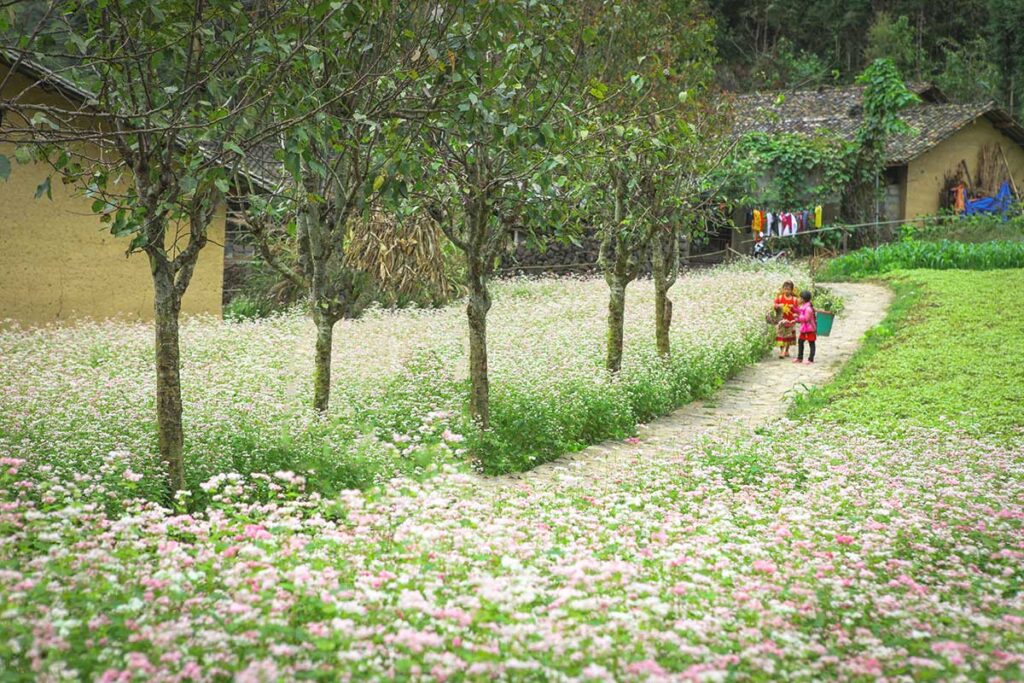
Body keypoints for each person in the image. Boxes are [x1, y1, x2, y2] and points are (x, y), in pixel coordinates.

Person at [773, 281, 798, 359]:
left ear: (792, 290)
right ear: (783, 289)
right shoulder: (780, 298)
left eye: (788, 289)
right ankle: (782, 351)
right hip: (781, 320)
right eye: (785, 289)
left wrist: (793, 308)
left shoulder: (794, 299)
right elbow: (774, 305)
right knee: (781, 335)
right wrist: (778, 306)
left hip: (790, 321)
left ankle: (786, 350)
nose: (786, 291)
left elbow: (797, 309)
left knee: (788, 336)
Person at [793, 290, 816, 364]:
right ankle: (800, 358)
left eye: (800, 298)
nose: (799, 299)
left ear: (803, 299)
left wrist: (797, 316)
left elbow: (806, 319)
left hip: (810, 329)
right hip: (804, 329)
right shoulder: (803, 307)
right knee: (800, 342)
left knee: (811, 343)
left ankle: (811, 359)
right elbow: (800, 316)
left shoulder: (808, 309)